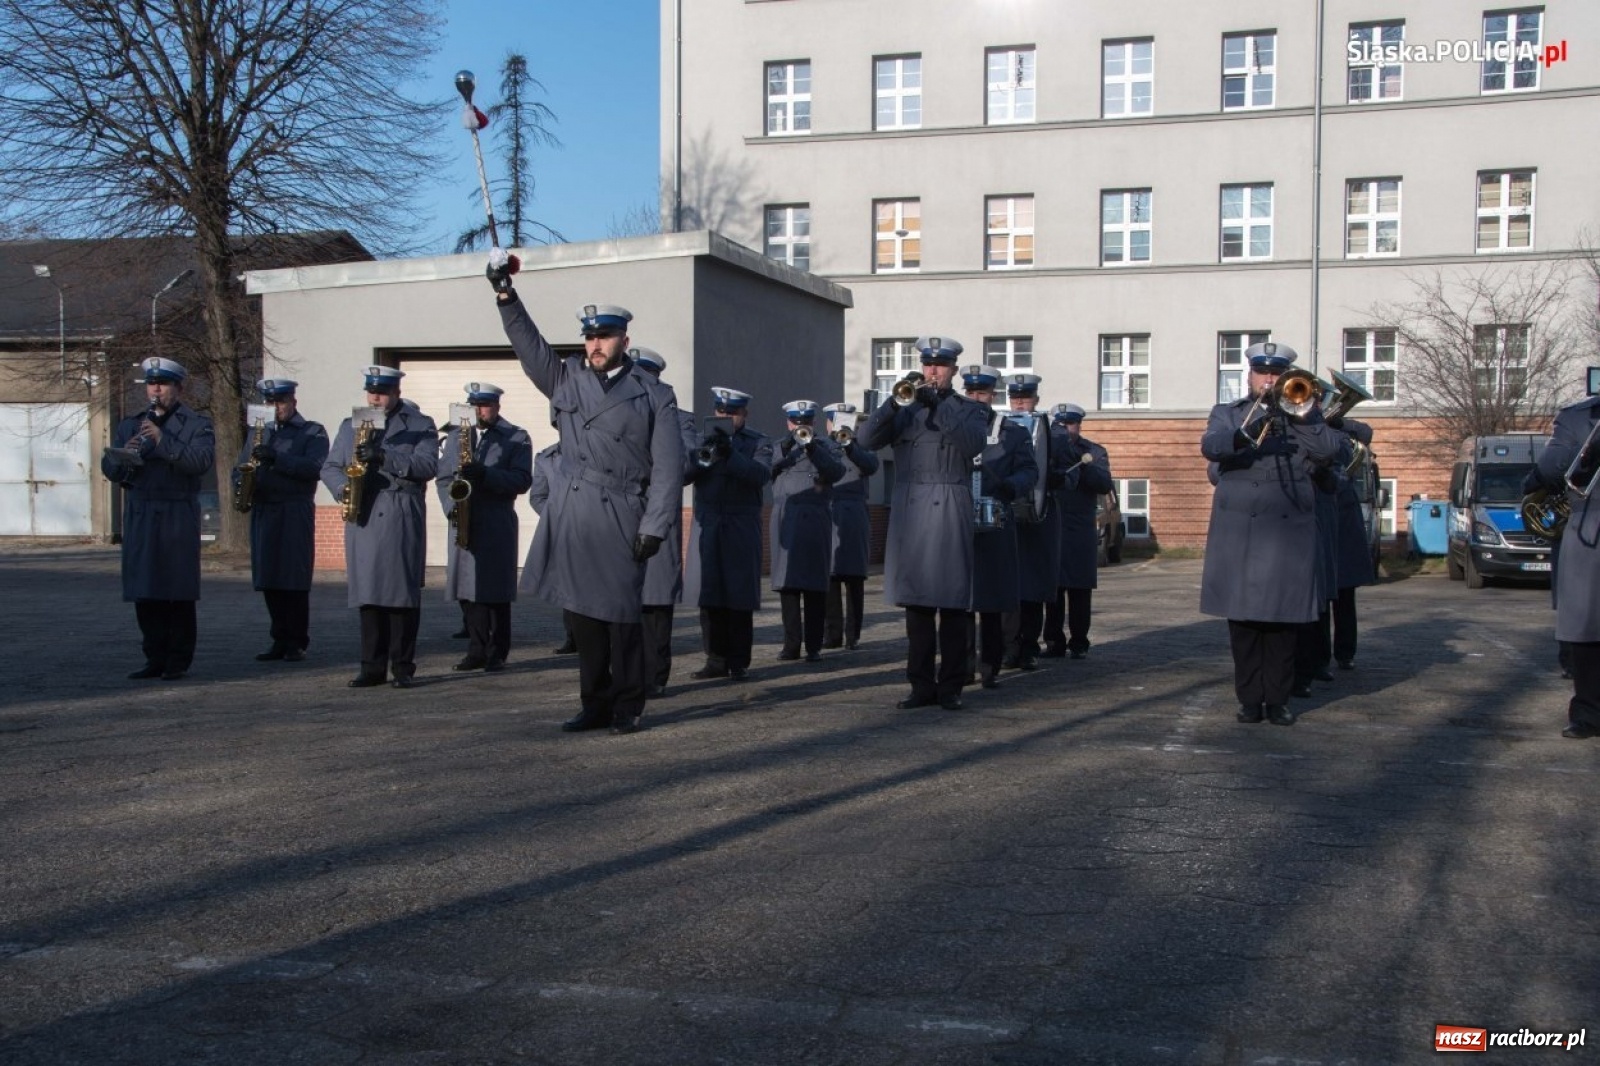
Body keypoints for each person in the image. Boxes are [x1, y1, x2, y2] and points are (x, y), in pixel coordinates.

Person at [489, 260, 683, 735]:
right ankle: (593, 702)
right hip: (576, 510)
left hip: (623, 511)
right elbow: (529, 347)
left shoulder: (654, 394)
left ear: (624, 341)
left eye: (606, 336)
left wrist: (655, 526)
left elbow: (669, 469)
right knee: (583, 614)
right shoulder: (566, 380)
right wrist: (506, 296)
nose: (595, 345)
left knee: (621, 616)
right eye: (590, 337)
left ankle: (628, 704)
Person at [1199, 342, 1338, 726]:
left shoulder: (1304, 414)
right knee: (1242, 622)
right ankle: (1248, 700)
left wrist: (1304, 415)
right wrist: (1246, 435)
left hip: (1287, 533)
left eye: (1276, 373)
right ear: (1250, 376)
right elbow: (1210, 446)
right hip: (1241, 530)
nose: (1270, 379)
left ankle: (1278, 700)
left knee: (1283, 621)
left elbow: (1329, 451)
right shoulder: (1228, 414)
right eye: (1262, 373)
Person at [861, 335, 989, 710]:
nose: (933, 372)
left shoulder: (970, 409)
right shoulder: (905, 407)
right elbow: (867, 440)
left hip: (949, 503)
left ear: (952, 370)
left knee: (950, 605)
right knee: (916, 606)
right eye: (928, 365)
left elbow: (972, 445)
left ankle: (950, 687)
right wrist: (894, 400)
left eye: (940, 366)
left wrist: (941, 407)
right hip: (912, 509)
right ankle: (920, 685)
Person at [320, 365, 439, 689]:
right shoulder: (351, 424)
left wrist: (384, 456)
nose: (375, 397)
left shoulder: (419, 424)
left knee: (401, 595)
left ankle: (402, 667)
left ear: (396, 393)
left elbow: (428, 465)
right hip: (365, 513)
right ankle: (371, 667)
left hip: (400, 511)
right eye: (371, 391)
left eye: (382, 392)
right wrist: (345, 488)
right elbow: (330, 466)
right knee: (368, 593)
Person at [100, 357, 216, 680]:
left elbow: (200, 461)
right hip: (141, 510)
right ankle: (154, 656)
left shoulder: (197, 424)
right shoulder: (130, 424)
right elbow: (110, 468)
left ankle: (178, 660)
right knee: (145, 587)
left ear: (178, 388)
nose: (156, 390)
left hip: (177, 511)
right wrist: (123, 457)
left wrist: (163, 441)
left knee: (176, 587)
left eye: (163, 385)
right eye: (152, 384)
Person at [435, 382, 533, 672]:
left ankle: (497, 650)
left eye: (485, 405)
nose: (480, 411)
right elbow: (442, 478)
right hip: (463, 516)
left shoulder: (516, 437)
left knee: (495, 591)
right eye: (475, 405)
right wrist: (450, 507)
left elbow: (521, 480)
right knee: (467, 588)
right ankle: (475, 649)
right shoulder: (456, 437)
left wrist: (487, 475)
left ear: (497, 407)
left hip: (495, 518)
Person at [232, 378, 328, 662]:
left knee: (293, 578)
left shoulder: (312, 431)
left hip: (293, 509)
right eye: (270, 402)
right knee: (270, 577)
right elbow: (241, 464)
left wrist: (277, 459)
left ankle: (297, 640)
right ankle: (278, 637)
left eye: (281, 402)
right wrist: (241, 482)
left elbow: (314, 467)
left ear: (293, 402)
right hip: (265, 508)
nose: (276, 408)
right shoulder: (259, 432)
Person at [685, 387, 772, 681]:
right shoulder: (701, 439)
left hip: (741, 524)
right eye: (721, 412)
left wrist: (730, 453)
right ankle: (715, 659)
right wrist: (703, 456)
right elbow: (684, 475)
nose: (726, 417)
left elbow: (760, 476)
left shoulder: (758, 442)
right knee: (710, 594)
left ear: (744, 414)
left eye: (732, 413)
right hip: (709, 522)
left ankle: (738, 661)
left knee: (739, 595)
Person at [961, 366, 1037, 690]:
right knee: (960, 598)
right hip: (959, 516)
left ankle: (989, 665)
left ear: (993, 396)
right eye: (972, 393)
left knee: (990, 597)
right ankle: (960, 666)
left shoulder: (1012, 432)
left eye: (984, 393)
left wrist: (1012, 486)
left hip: (995, 515)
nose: (978, 399)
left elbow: (1030, 471)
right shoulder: (955, 429)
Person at [630, 346, 700, 697]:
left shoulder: (679, 418)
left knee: (656, 603)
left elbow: (686, 467)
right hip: (622, 515)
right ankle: (626, 673)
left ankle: (656, 676)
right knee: (624, 600)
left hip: (656, 517)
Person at [1531, 392, 1600, 739]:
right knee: (1586, 625)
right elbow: (1551, 469)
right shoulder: (1579, 417)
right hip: (1590, 526)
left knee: (1588, 623)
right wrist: (1588, 450)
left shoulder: (1576, 416)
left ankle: (1588, 714)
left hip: (1589, 528)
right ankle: (1587, 713)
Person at [769, 399, 846, 662]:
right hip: (786, 519)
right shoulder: (777, 446)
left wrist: (812, 447)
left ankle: (813, 646)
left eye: (805, 422)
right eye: (795, 422)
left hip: (816, 520)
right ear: (788, 422)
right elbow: (764, 469)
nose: (800, 427)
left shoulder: (827, 446)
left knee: (815, 587)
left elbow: (836, 471)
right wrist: (788, 444)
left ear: (813, 422)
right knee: (787, 586)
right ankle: (791, 645)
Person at [1002, 373, 1063, 668]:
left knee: (1034, 587)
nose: (1020, 403)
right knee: (1009, 586)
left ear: (1036, 400)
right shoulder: (999, 430)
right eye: (1015, 399)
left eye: (1025, 398)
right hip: (1009, 516)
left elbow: (1066, 470)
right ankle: (1009, 647)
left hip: (1040, 517)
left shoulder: (1053, 432)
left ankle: (1028, 648)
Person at [1044, 404, 1113, 660]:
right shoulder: (1048, 450)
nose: (1065, 430)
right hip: (1053, 523)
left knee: (1080, 589)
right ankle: (1053, 641)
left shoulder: (1093, 451)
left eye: (1070, 425)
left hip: (1080, 526)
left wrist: (1081, 465)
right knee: (1053, 588)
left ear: (1079, 425)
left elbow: (1104, 484)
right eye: (1060, 425)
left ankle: (1079, 641)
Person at [823, 403, 879, 651]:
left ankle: (852, 634)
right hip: (829, 510)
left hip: (854, 513)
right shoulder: (821, 446)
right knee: (830, 578)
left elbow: (871, 465)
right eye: (834, 421)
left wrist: (850, 444)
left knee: (854, 578)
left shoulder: (861, 445)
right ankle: (832, 634)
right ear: (827, 424)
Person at [1329, 418, 1376, 670]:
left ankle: (1345, 653)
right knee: (1319, 600)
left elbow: (1365, 433)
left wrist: (1337, 420)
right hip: (1318, 512)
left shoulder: (1338, 427)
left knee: (1345, 596)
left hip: (1344, 517)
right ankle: (1318, 657)